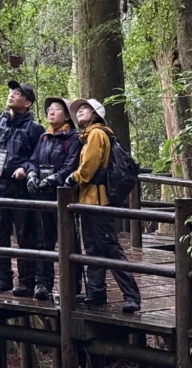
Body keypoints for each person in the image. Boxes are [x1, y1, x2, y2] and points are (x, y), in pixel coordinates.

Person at [65, 98, 141, 314]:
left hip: (98, 201)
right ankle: (96, 292)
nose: (80, 111)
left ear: (95, 113)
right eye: (78, 109)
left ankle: (131, 295)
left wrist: (73, 177)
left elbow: (88, 167)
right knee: (93, 248)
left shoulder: (97, 133)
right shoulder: (88, 135)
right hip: (89, 200)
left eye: (85, 108)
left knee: (110, 248)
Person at [0, 81, 44, 295]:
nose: (12, 95)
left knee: (26, 235)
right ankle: (2, 278)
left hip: (22, 188)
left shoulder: (35, 129)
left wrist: (25, 168)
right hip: (0, 184)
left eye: (18, 94)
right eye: (11, 92)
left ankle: (27, 282)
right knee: (0, 232)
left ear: (27, 103)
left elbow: (39, 158)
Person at [24, 97, 82, 301]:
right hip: (42, 197)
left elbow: (71, 166)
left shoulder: (73, 138)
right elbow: (32, 160)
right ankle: (43, 284)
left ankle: (72, 286)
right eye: (49, 109)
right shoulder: (44, 138)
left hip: (63, 197)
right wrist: (31, 175)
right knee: (43, 240)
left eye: (57, 109)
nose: (51, 112)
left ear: (66, 115)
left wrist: (52, 180)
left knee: (68, 241)